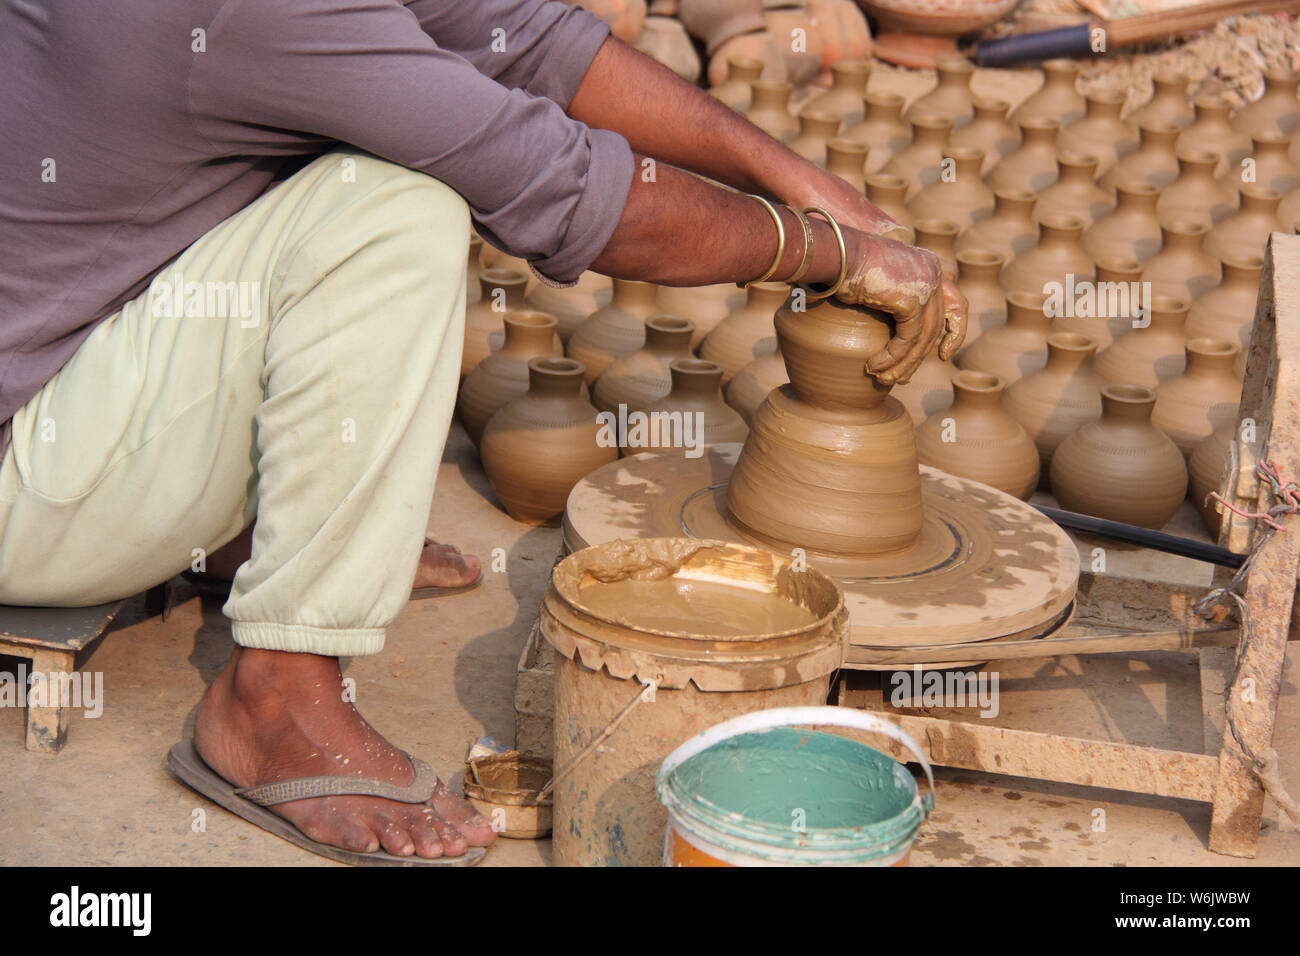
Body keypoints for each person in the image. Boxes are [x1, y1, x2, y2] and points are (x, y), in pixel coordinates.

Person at [0, 0, 965, 863]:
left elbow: (529, 38)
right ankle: (276, 698)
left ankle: (255, 530)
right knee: (394, 207)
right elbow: (573, 194)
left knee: (356, 151)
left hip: (67, 351)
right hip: (20, 469)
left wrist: (796, 178)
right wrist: (826, 253)